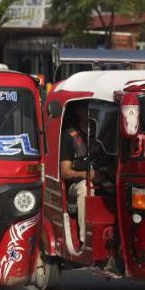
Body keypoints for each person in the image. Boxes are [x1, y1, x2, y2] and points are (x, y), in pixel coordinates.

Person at [60, 102, 93, 246]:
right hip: (76, 185)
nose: (89, 111)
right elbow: (65, 171)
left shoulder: (101, 134)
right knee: (86, 189)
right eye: (85, 107)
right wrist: (87, 175)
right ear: (78, 111)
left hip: (102, 180)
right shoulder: (70, 135)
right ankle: (85, 240)